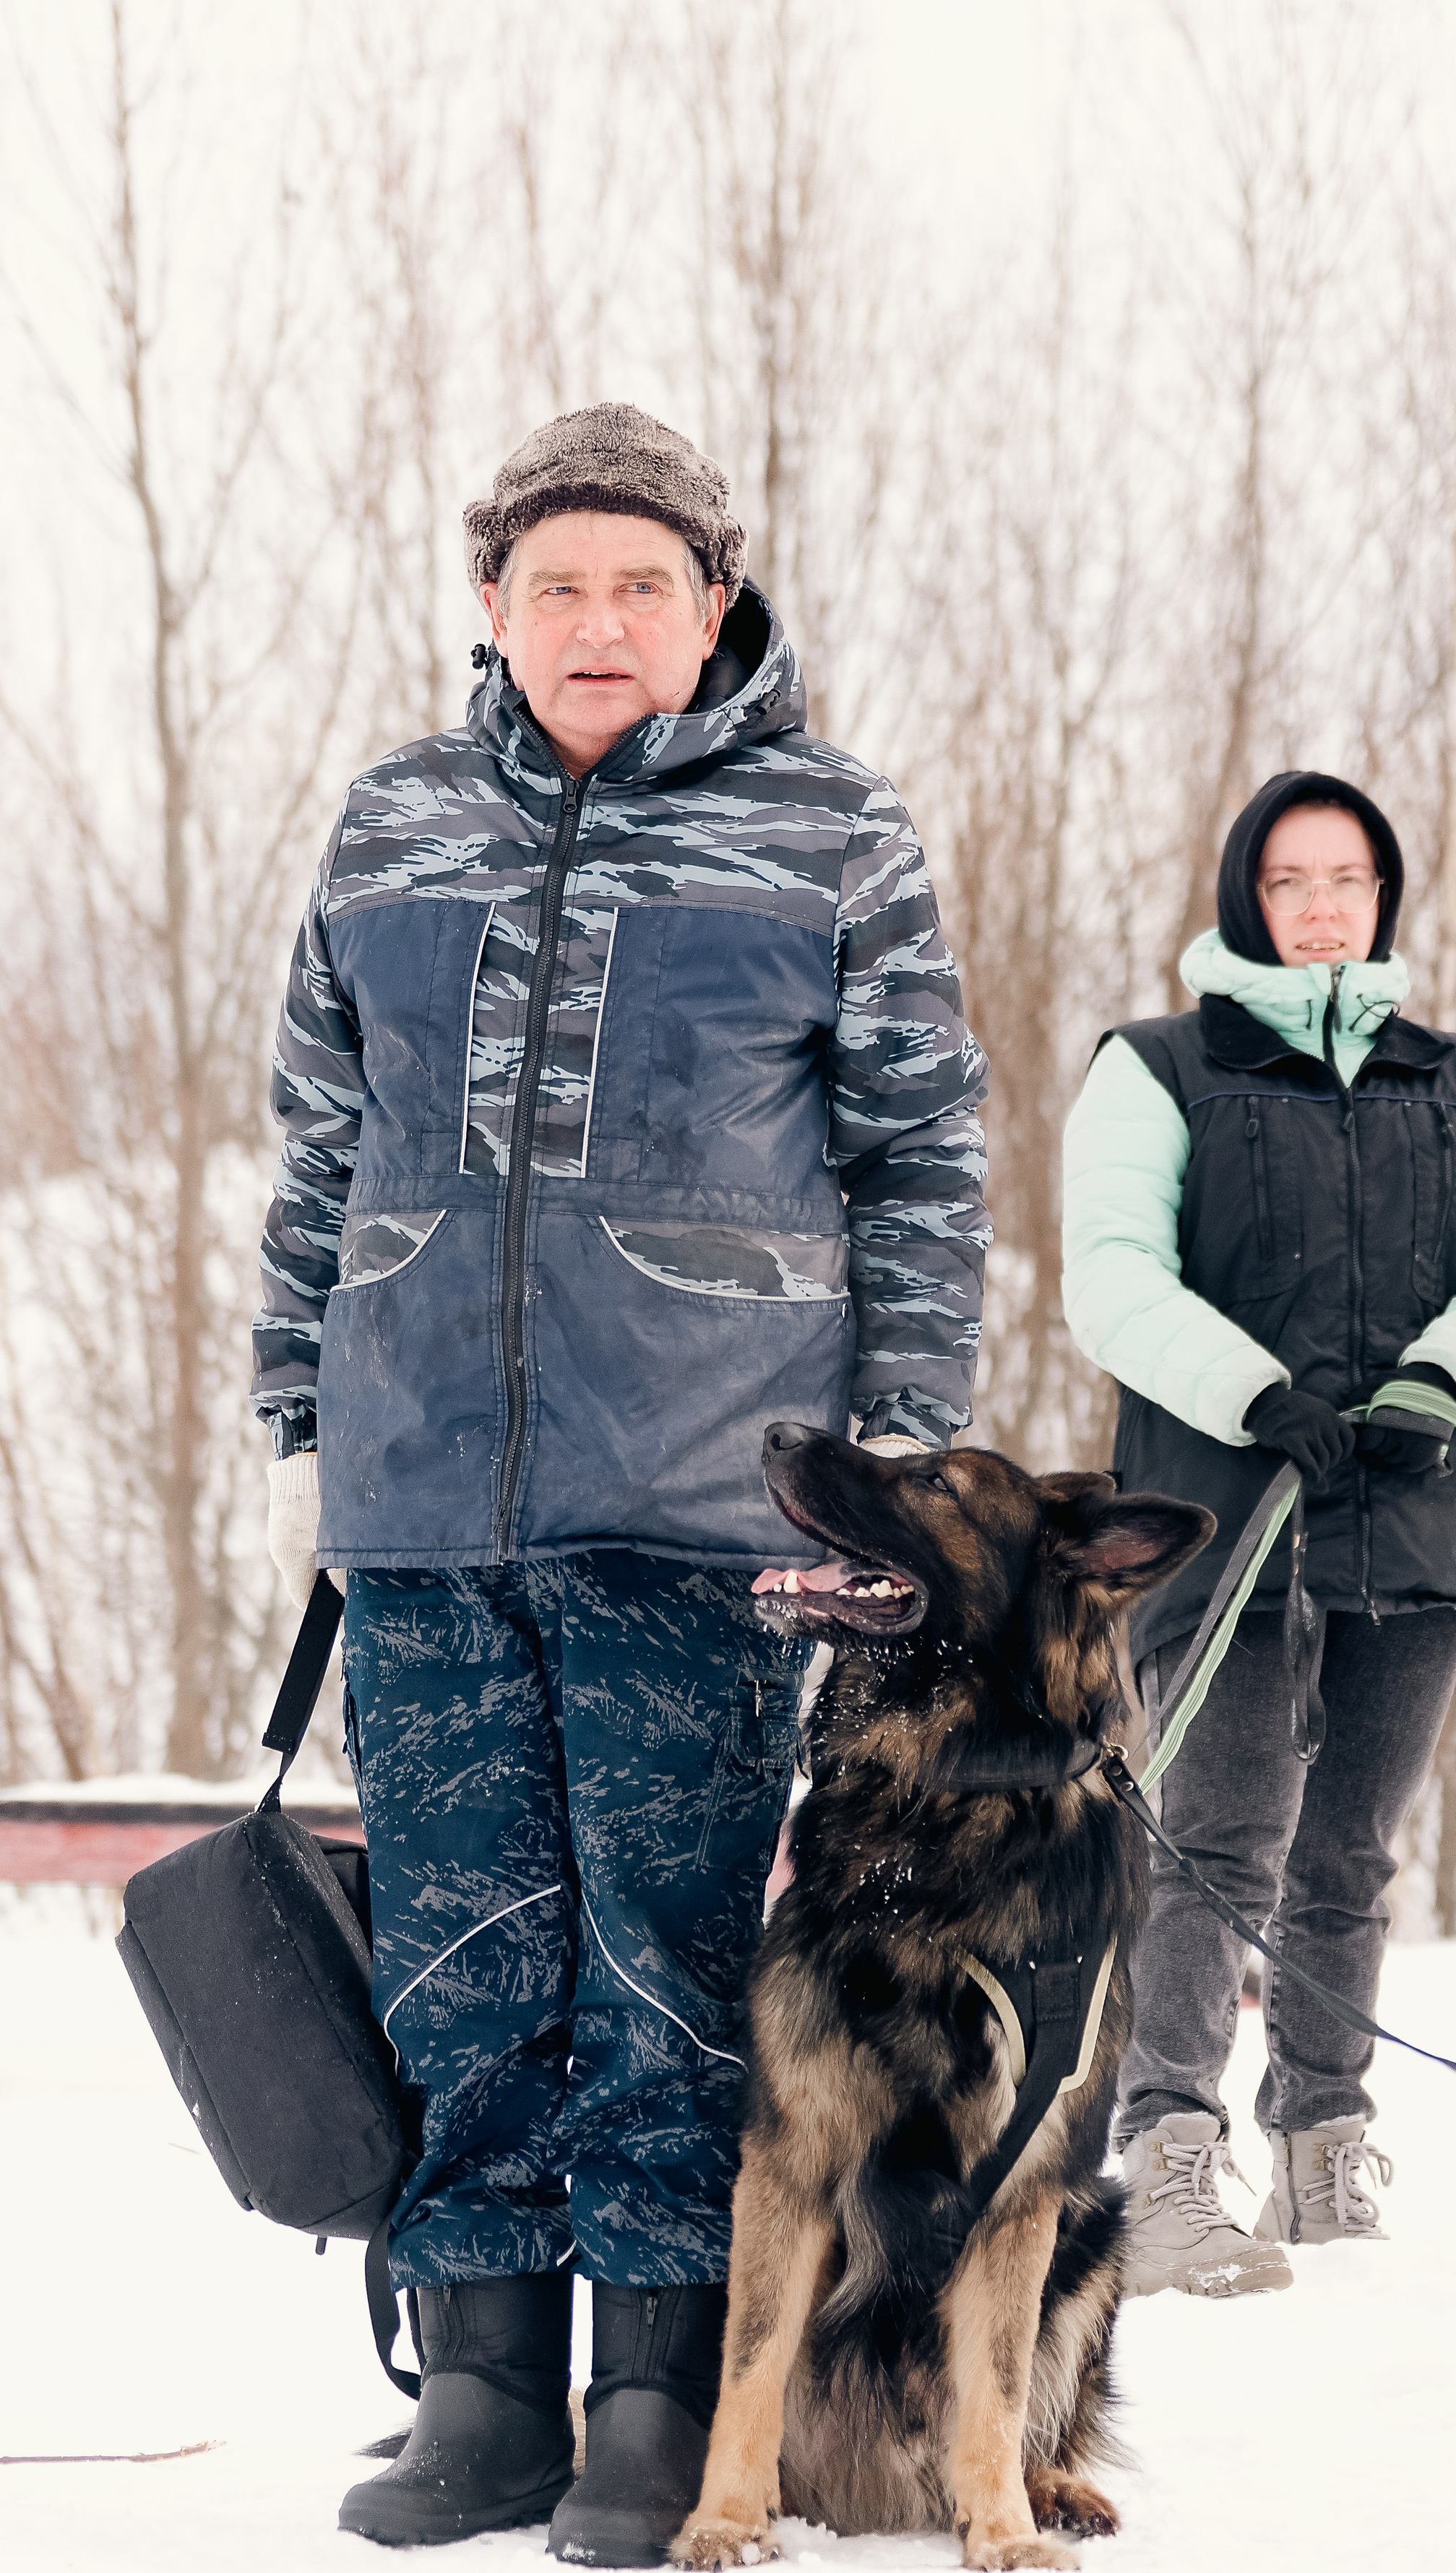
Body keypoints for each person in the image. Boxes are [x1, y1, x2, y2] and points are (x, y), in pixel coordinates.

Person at [251, 402, 989, 2559]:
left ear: (712, 604)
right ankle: (483, 2388)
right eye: (556, 584)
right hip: (425, 1496)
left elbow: (922, 1158)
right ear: (490, 605)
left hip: (705, 1501)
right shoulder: (394, 823)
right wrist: (302, 1406)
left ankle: (658, 2399)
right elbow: (320, 1141)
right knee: (461, 1952)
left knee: (667, 1967)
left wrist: (899, 1450)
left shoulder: (833, 832)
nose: (598, 621)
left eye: (641, 585)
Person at [1061, 770, 1456, 2298]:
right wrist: (1252, 1391)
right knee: (1214, 1846)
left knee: (1349, 1854)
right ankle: (1164, 2157)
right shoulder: (1158, 1069)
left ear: (1381, 898)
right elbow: (1110, 1274)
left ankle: (1323, 2149)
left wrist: (1443, 1378)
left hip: (1412, 1522)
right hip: (1228, 1524)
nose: (1323, 908)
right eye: (1291, 882)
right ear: (1247, 899)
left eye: (1348, 880)